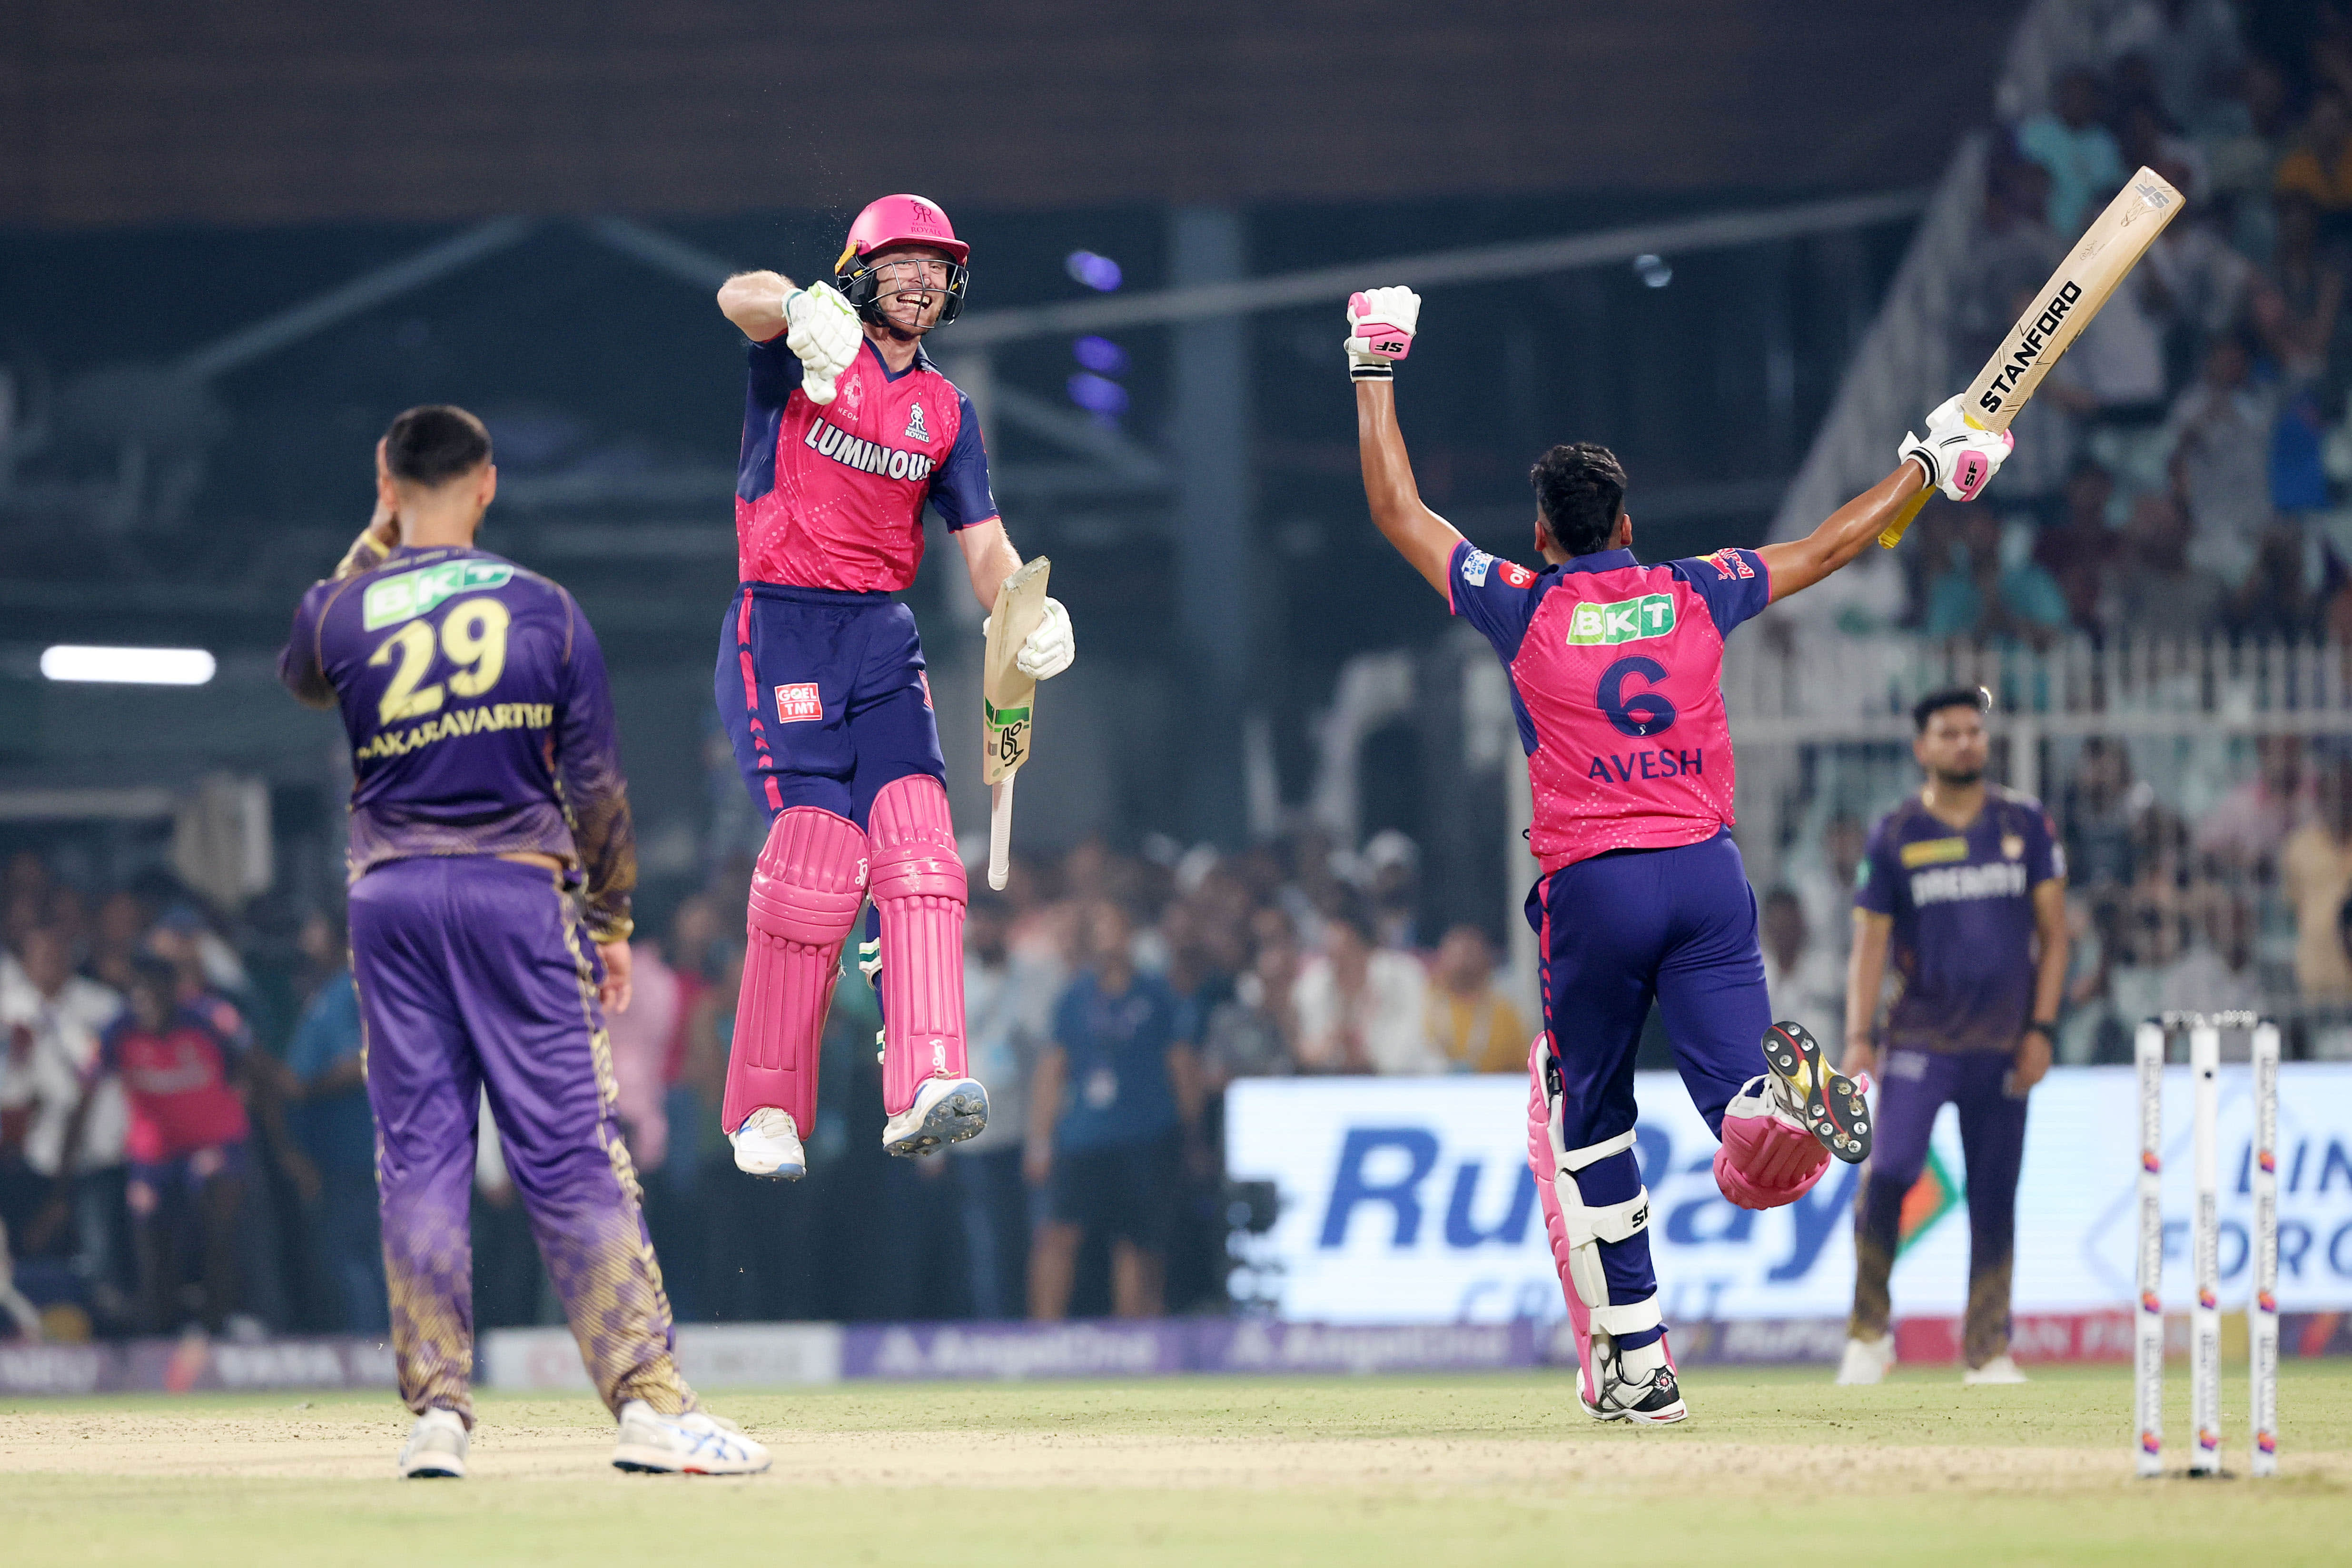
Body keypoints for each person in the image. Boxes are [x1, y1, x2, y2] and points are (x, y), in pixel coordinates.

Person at [1347, 284, 2015, 1422]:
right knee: (1735, 1111)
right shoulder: (1695, 588)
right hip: (1707, 875)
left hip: (1593, 887)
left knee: (1588, 1122)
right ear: (1626, 526)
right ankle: (1770, 1101)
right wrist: (1923, 467)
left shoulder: (1522, 605)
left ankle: (1642, 1360)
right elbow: (1830, 546)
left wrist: (1374, 363)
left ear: (1544, 535)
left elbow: (1397, 509)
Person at [278, 404, 763, 1477]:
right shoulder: (543, 608)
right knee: (568, 1149)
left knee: (420, 1154)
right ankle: (646, 1404)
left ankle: (437, 1418)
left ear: (387, 483)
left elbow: (303, 673)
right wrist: (613, 921)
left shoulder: (344, 606)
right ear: (488, 484)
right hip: (514, 891)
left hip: (391, 897)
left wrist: (376, 538)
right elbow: (595, 785)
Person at [710, 194, 1076, 1182]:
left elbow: (986, 547)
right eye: (900, 262)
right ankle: (765, 1109)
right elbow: (736, 297)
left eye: (935, 266)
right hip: (781, 624)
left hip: (880, 633)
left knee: (920, 849)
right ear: (859, 272)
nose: (919, 280)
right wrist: (795, 307)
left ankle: (925, 1080)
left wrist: (1028, 612)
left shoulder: (947, 413)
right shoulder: (803, 349)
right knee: (818, 853)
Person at [1837, 689, 2069, 1387]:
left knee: (1994, 1193)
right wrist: (1857, 1035)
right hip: (1919, 1039)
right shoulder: (1896, 832)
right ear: (1922, 747)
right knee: (1889, 1172)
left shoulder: (2023, 822)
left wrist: (2041, 1029)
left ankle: (1987, 1349)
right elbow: (1868, 945)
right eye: (1949, 732)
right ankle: (1867, 1334)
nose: (1966, 742)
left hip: (2003, 1041)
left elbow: (2055, 937)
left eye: (1974, 730)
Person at [42, 957, 251, 1337]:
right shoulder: (117, 1032)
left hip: (211, 1143)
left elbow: (246, 1072)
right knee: (147, 1214)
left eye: (155, 993)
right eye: (139, 994)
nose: (146, 1003)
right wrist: (63, 1180)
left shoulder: (206, 1023)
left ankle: (219, 1319)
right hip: (154, 1155)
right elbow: (83, 1101)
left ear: (172, 993)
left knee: (217, 1192)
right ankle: (160, 1327)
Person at [1025, 900, 1198, 1320]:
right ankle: (1041, 1335)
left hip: (1145, 1133)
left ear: (1131, 934)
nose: (1107, 939)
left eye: (1115, 928)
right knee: (1059, 1234)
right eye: (1099, 930)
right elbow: (1053, 1069)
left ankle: (1136, 1334)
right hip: (1083, 1135)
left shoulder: (1157, 994)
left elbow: (1181, 1064)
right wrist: (1040, 1141)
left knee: (1138, 1242)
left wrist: (1190, 1133)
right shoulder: (1074, 997)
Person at [283, 911, 386, 1335]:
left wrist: (303, 1087)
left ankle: (375, 1345)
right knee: (346, 1254)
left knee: (355, 1256)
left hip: (358, 1148)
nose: (306, 941)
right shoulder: (325, 991)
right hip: (337, 1151)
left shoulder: (351, 989)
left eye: (314, 931)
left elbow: (362, 1062)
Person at [1293, 905, 1441, 1074]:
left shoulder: (1404, 977)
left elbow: (1414, 1043)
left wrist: (1368, 1057)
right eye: (1331, 955)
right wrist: (1330, 1047)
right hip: (1335, 1082)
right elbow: (1309, 1053)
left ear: (1366, 949)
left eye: (1347, 953)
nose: (1339, 965)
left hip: (1406, 1079)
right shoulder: (1314, 985)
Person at [1424, 925, 1527, 1073]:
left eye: (1470, 953)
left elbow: (1523, 1070)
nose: (1463, 962)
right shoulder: (1424, 1006)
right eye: (1457, 954)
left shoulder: (1505, 1013)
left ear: (1486, 960)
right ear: (1441, 958)